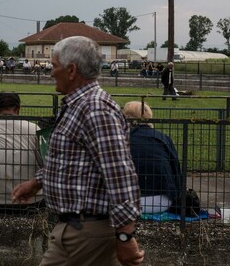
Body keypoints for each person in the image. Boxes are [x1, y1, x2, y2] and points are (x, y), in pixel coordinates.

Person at [11, 36, 144, 266]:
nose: (51, 72)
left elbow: (120, 176)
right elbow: (71, 160)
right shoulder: (80, 106)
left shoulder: (95, 110)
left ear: (71, 70)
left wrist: (125, 236)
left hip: (84, 234)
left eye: (54, 66)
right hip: (80, 230)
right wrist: (36, 183)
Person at [123, 101, 182, 214]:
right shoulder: (163, 138)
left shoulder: (121, 138)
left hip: (126, 203)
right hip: (162, 202)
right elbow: (176, 169)